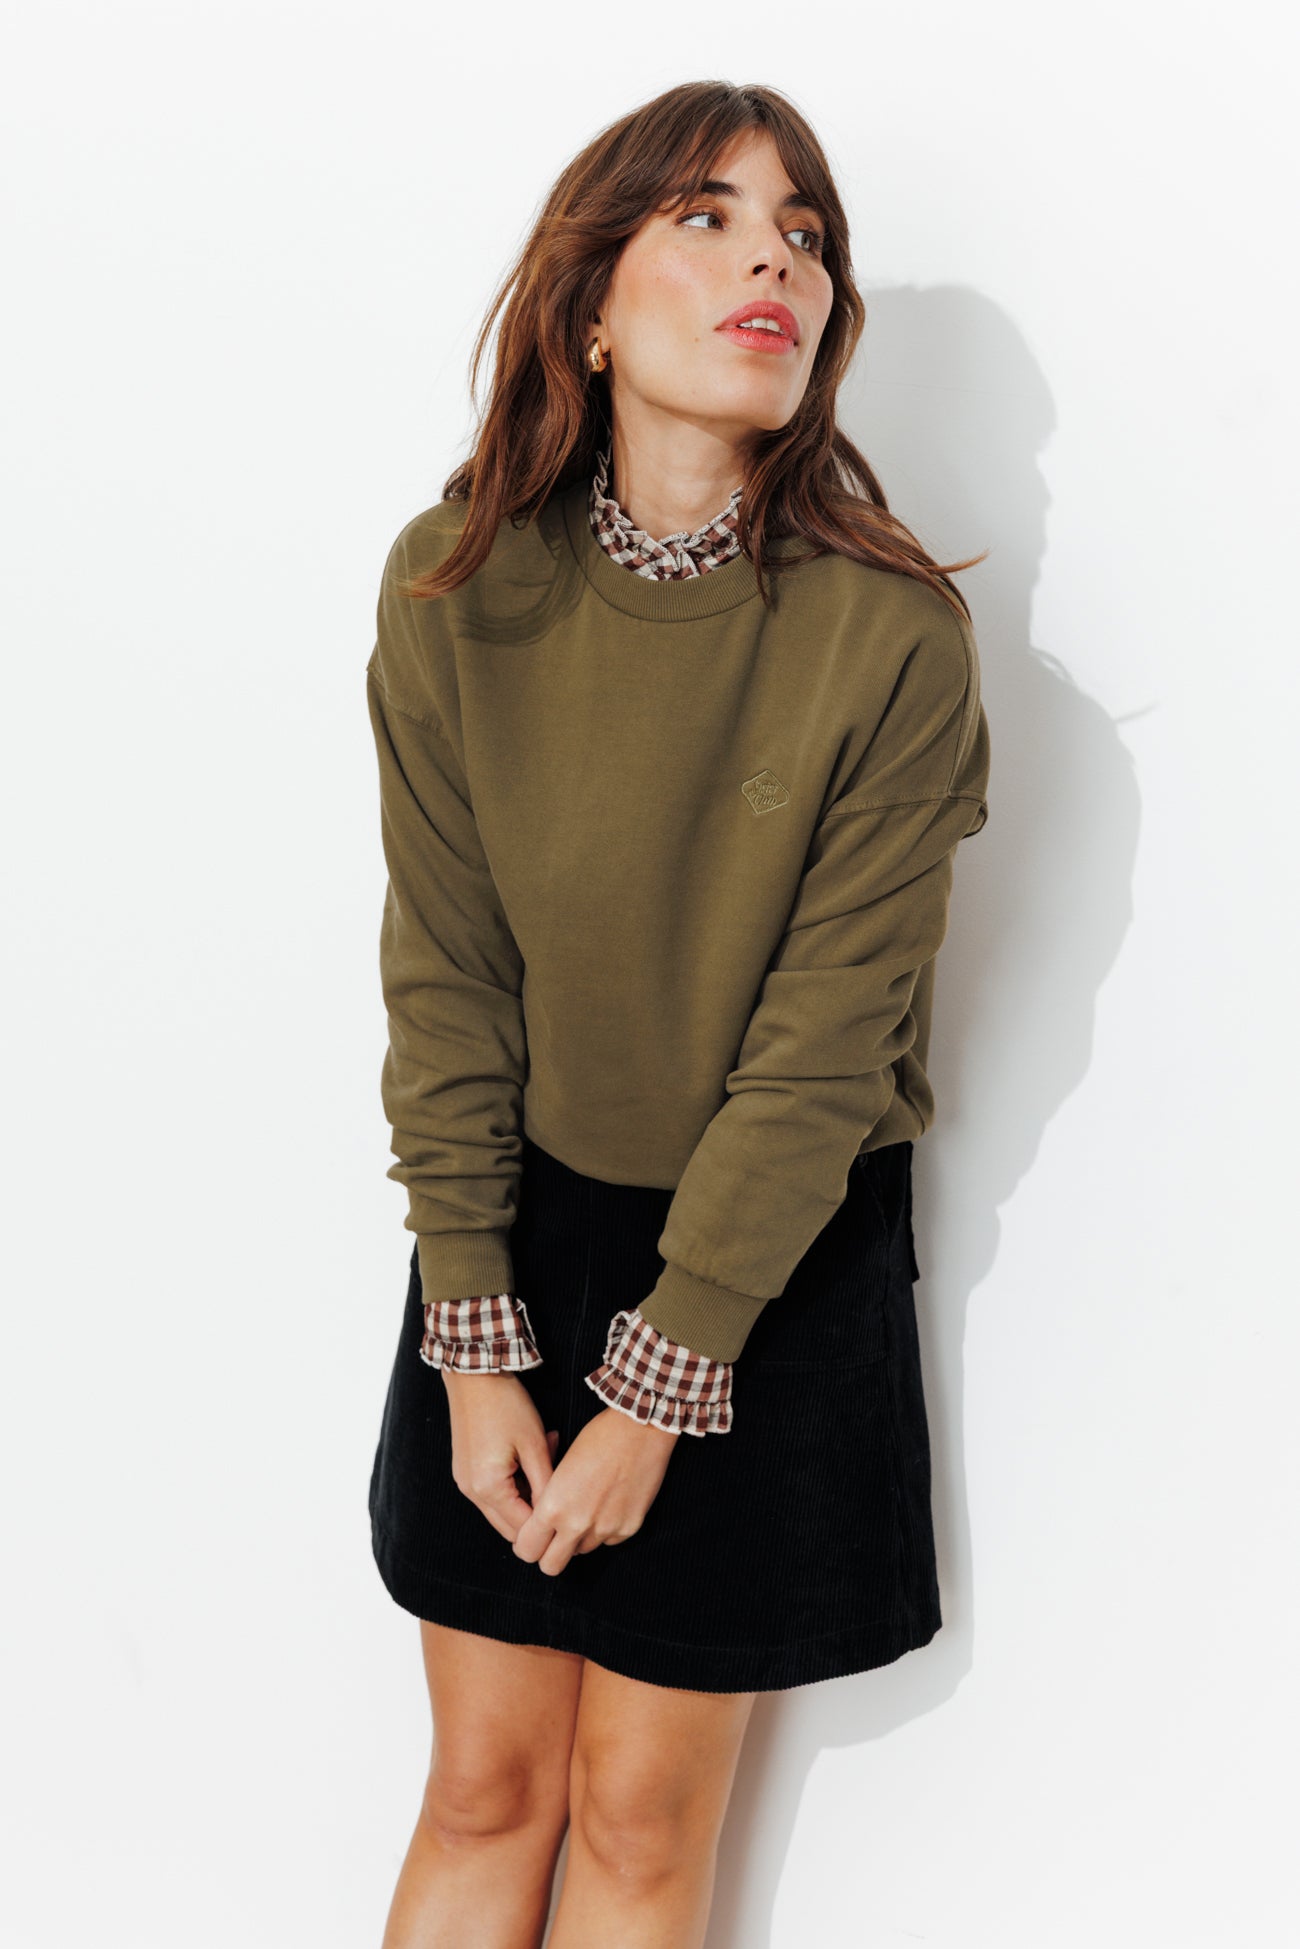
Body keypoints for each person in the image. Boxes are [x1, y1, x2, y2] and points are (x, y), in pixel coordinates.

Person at [364, 79, 991, 1949]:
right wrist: (476, 1329)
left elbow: (823, 1053)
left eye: (804, 234)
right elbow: (447, 973)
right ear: (587, 303)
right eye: (707, 218)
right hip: (518, 1229)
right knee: (483, 1785)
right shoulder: (458, 584)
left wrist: (664, 1378)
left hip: (767, 1258)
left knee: (640, 1820)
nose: (771, 260)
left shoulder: (887, 637)